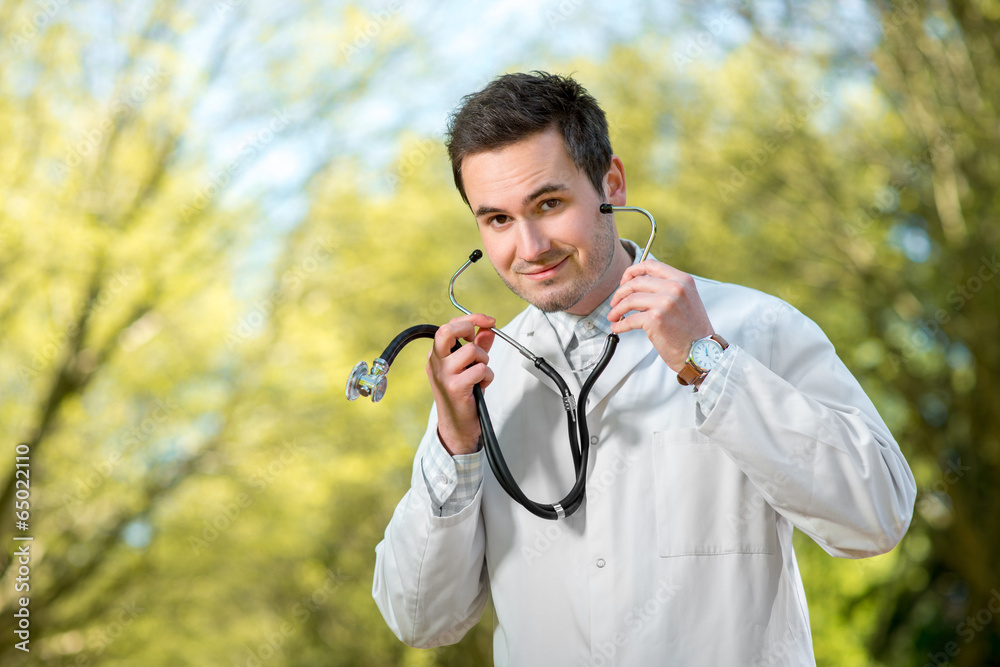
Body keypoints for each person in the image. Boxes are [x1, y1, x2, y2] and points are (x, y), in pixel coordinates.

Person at [371, 71, 915, 666]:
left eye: (548, 204)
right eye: (497, 219)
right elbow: (421, 618)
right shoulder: (481, 384)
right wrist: (456, 447)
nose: (528, 248)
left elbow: (877, 516)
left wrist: (709, 361)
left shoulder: (754, 325)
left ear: (612, 182)